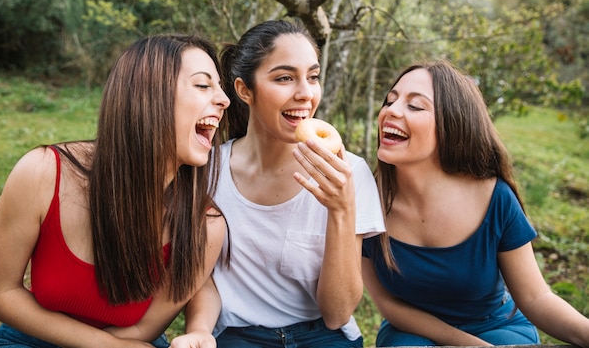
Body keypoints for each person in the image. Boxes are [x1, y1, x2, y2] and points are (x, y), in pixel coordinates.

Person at [0, 34, 231, 348]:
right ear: (146, 95)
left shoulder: (206, 225)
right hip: (33, 339)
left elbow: (143, 330)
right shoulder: (42, 172)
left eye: (220, 87)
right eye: (204, 85)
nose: (224, 99)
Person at [362, 59, 589, 347]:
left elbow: (535, 297)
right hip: (411, 332)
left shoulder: (495, 197)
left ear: (451, 124)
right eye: (390, 101)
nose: (391, 111)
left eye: (415, 106)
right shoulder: (367, 199)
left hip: (497, 325)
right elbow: (388, 304)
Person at [188, 19, 387, 348]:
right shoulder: (208, 171)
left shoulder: (347, 171)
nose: (306, 94)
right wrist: (199, 330)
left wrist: (340, 209)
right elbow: (199, 278)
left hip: (324, 334)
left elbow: (337, 313)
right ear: (244, 90)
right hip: (238, 335)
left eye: (312, 77)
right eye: (284, 78)